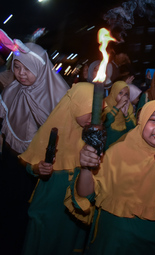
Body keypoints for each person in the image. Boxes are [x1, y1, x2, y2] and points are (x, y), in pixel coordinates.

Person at [70, 100, 155, 254]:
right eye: (153, 120)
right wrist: (86, 167)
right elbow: (85, 195)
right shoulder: (116, 153)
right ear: (141, 122)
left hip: (153, 246)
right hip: (109, 243)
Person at [0, 41, 69, 254]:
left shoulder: (59, 95)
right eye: (18, 67)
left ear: (40, 67)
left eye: (28, 68)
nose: (21, 73)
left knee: (27, 213)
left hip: (39, 167)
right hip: (12, 161)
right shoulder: (13, 89)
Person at [18, 82, 96, 255]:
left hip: (75, 208)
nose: (92, 117)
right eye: (88, 110)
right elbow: (28, 161)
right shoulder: (53, 128)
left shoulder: (92, 134)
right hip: (49, 203)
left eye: (95, 112)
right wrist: (39, 168)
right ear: (75, 105)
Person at [102, 81, 136, 149]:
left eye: (126, 94)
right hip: (109, 145)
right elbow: (105, 123)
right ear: (114, 92)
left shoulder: (128, 107)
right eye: (120, 93)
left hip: (123, 146)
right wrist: (117, 107)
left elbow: (132, 129)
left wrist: (126, 115)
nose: (123, 96)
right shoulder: (105, 104)